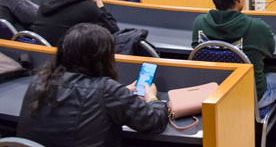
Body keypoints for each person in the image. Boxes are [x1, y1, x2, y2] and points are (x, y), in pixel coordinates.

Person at [17, 23, 168, 147]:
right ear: (103, 57)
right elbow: (154, 122)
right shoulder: (105, 90)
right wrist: (153, 99)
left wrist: (121, 94)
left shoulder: (39, 80)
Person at [192, 0, 276, 146]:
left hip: (212, 93)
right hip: (252, 96)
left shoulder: (199, 23)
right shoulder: (256, 27)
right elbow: (269, 51)